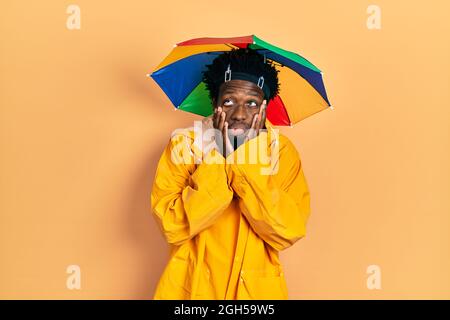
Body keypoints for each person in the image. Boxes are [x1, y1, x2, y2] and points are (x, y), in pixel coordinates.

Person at [150, 48, 311, 299]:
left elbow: (286, 231)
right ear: (214, 103)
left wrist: (245, 163)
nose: (239, 113)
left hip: (254, 294)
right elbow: (172, 226)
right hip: (191, 290)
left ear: (264, 108)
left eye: (252, 103)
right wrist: (220, 159)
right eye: (228, 101)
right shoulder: (184, 145)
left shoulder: (281, 152)